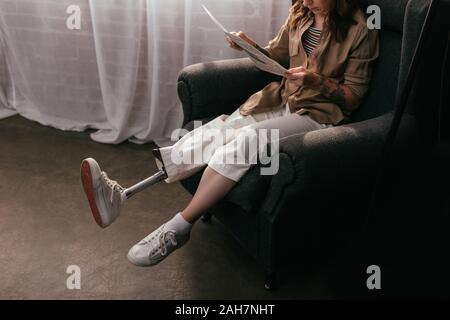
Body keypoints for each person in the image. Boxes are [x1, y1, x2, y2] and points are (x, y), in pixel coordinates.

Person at [80, 0, 379, 267]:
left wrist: (316, 81)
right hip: (280, 99)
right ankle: (120, 196)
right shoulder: (300, 12)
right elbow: (275, 56)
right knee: (214, 132)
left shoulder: (361, 29)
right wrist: (249, 46)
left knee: (248, 140)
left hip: (317, 116)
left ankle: (177, 228)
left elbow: (353, 96)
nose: (309, 0)